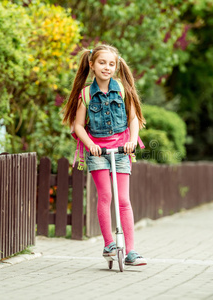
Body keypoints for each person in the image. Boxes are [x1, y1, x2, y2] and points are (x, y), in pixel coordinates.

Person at [62, 44, 147, 266]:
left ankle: (131, 251)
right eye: (102, 63)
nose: (107, 67)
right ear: (92, 65)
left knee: (123, 200)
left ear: (116, 66)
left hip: (121, 149)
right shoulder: (85, 95)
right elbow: (78, 126)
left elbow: (133, 118)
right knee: (105, 196)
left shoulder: (122, 90)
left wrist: (131, 141)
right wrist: (90, 145)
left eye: (111, 64)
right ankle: (109, 244)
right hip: (97, 150)